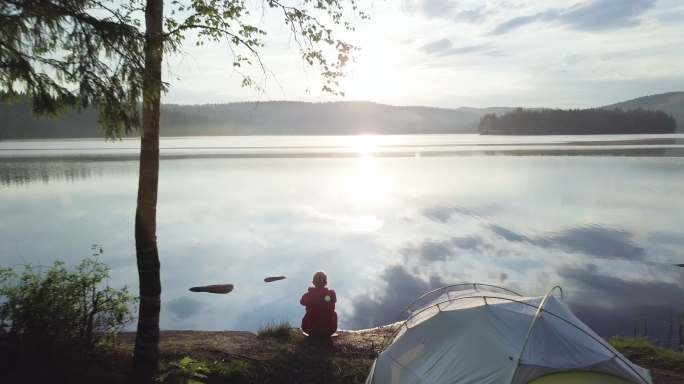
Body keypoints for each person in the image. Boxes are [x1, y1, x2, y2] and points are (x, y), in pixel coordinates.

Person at [300, 271, 337, 337]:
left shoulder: (308, 295)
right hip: (328, 331)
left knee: (308, 312)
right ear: (326, 283)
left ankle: (312, 330)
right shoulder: (331, 294)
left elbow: (302, 302)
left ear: (313, 282)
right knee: (334, 313)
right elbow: (334, 300)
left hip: (311, 331)